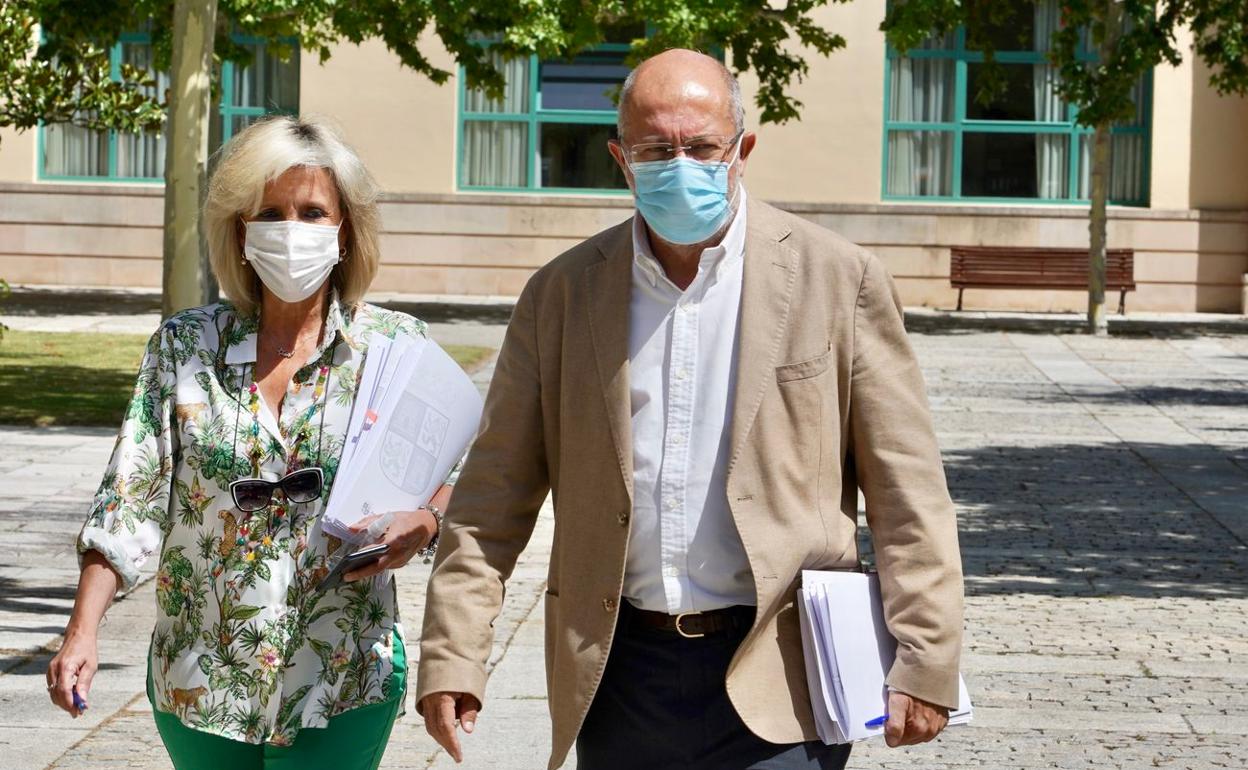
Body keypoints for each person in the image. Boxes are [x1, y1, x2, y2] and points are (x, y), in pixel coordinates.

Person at [416, 48, 964, 770]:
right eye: (656, 148)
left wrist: (927, 655)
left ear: (743, 150)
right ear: (621, 158)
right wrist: (453, 654)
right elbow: (490, 501)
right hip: (618, 672)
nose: (681, 165)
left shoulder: (838, 279)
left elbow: (908, 491)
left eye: (702, 147)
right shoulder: (562, 296)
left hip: (783, 666)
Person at [45, 115, 450, 770]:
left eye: (313, 212)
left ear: (346, 231)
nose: (292, 229)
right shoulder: (183, 347)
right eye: (271, 212)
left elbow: (462, 479)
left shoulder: (395, 348)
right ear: (240, 231)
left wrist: (427, 521)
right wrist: (82, 631)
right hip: (202, 675)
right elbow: (128, 501)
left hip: (342, 674)